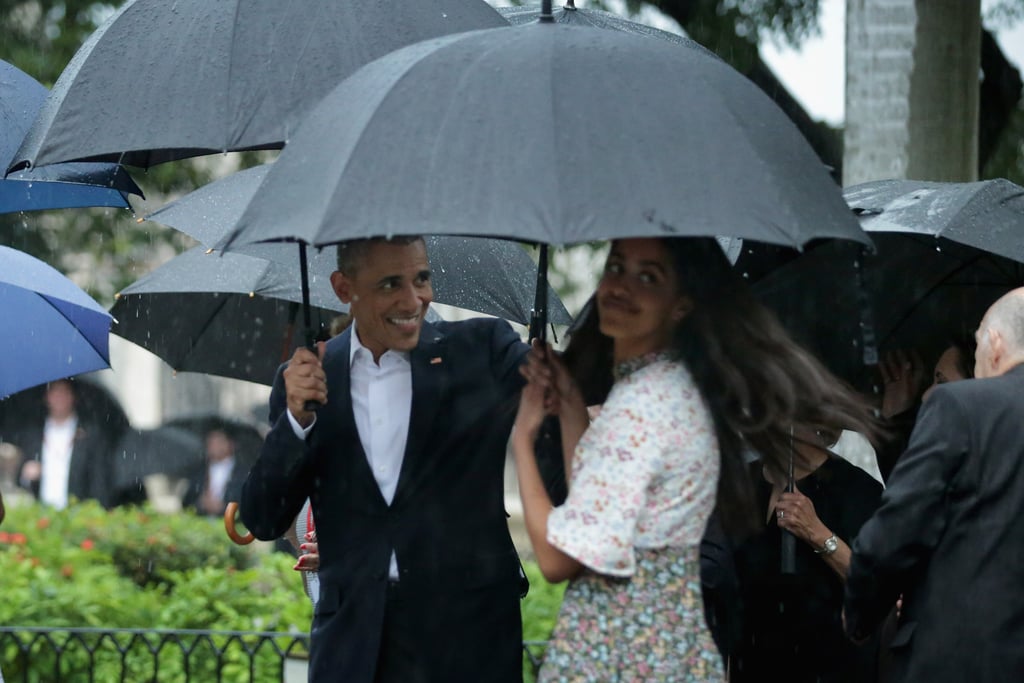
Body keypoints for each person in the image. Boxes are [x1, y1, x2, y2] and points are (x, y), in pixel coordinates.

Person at [512, 237, 879, 681]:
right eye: (615, 266)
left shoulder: (646, 404)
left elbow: (557, 559)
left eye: (648, 277)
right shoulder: (671, 388)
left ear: (681, 305)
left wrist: (522, 439)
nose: (619, 287)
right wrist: (571, 408)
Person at [240, 235, 529, 683]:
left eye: (422, 279)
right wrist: (295, 421)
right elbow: (263, 518)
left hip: (467, 644)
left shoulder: (482, 349)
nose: (414, 300)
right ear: (343, 289)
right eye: (391, 284)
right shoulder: (307, 375)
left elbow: (563, 393)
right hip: (354, 650)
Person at [844, 288, 1024, 681]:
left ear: (993, 343)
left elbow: (898, 529)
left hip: (964, 653)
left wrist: (860, 613)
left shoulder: (960, 405)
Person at [726, 425, 883, 682]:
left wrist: (817, 532)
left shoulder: (855, 487)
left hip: (829, 667)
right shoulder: (743, 484)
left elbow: (877, 585)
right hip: (755, 665)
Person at [14, 379, 112, 509]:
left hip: (78, 512)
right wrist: (26, 473)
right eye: (54, 392)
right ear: (46, 397)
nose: (59, 398)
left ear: (73, 397)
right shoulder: (34, 434)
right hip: (42, 513)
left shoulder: (89, 434)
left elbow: (99, 480)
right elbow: (19, 478)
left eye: (64, 392)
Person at [183, 428, 247, 517]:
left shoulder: (244, 473)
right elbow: (186, 502)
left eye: (219, 442)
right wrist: (200, 503)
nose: (214, 446)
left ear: (231, 444)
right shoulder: (199, 471)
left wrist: (223, 508)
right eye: (210, 443)